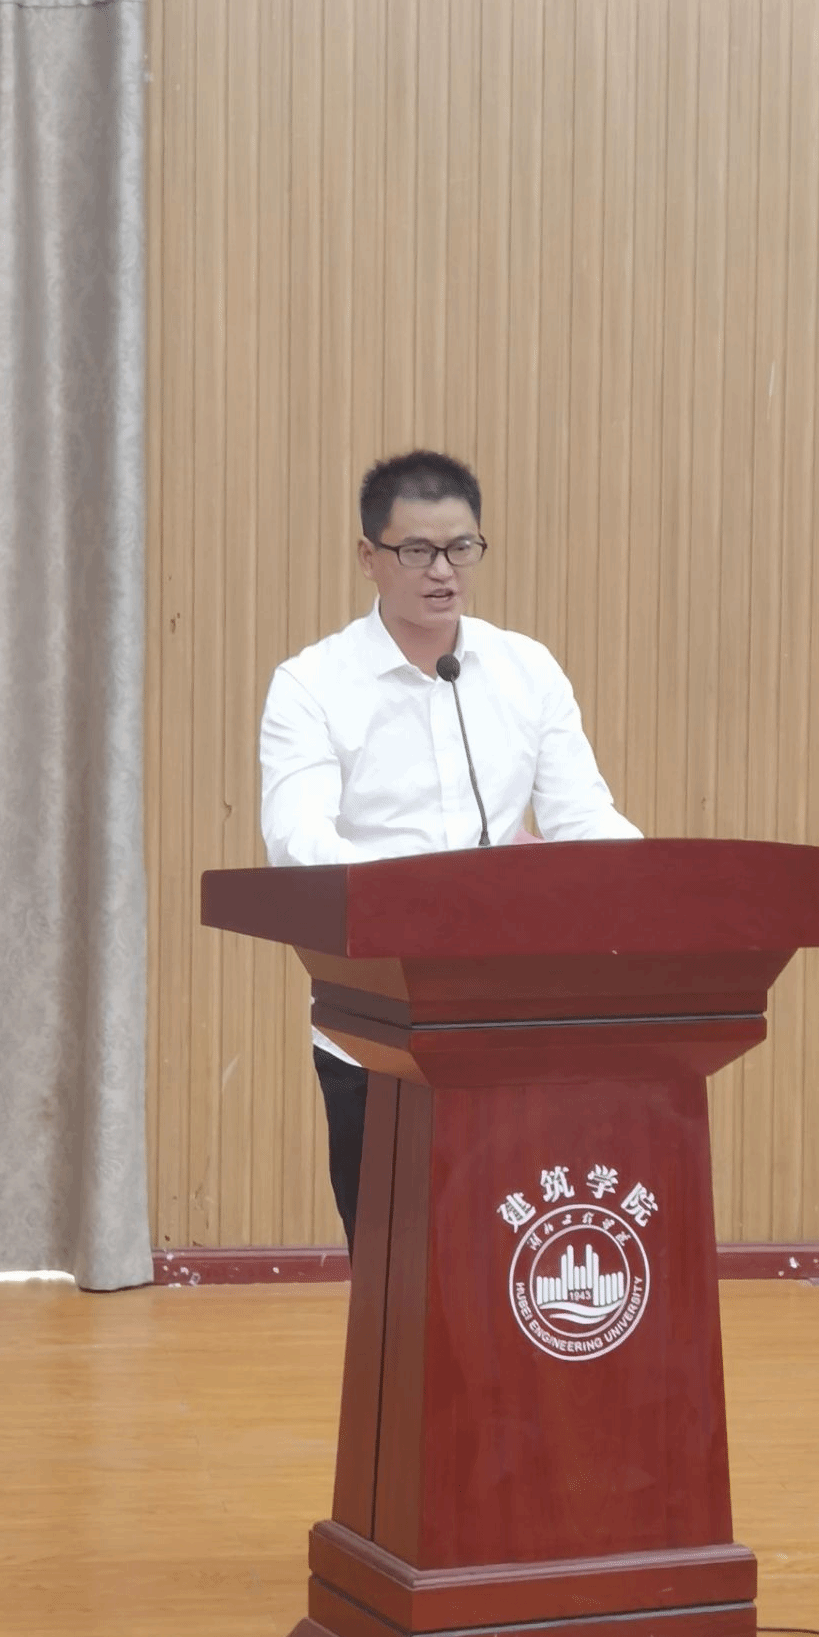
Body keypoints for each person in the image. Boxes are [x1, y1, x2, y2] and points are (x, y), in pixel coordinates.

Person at [259, 449, 640, 1251]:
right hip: (377, 1020)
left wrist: (658, 881)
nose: (443, 572)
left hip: (511, 1012)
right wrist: (426, 901)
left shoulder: (525, 669)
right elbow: (298, 839)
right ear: (369, 557)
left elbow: (582, 816)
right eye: (417, 551)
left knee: (520, 1251)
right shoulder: (312, 684)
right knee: (395, 1264)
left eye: (461, 548)